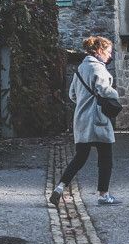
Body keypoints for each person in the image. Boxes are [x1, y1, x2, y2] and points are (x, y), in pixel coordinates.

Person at [50, 35, 119, 207]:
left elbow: (72, 94)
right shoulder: (99, 70)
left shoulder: (80, 68)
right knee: (106, 159)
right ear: (99, 51)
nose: (110, 56)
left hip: (81, 119)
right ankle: (103, 195)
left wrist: (84, 102)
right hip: (98, 120)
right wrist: (115, 95)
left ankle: (60, 187)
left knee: (79, 158)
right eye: (108, 52)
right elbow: (104, 91)